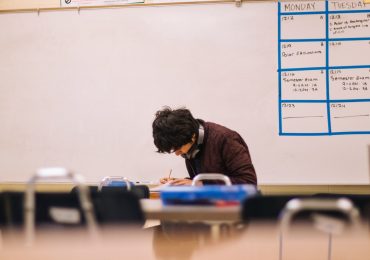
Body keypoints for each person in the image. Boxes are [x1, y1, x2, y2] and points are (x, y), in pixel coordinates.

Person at [152, 107, 257, 186]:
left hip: (234, 210)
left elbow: (249, 182)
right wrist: (178, 183)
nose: (177, 153)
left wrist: (201, 184)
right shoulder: (192, 146)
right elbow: (203, 180)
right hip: (210, 207)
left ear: (192, 136)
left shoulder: (226, 139)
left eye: (178, 148)